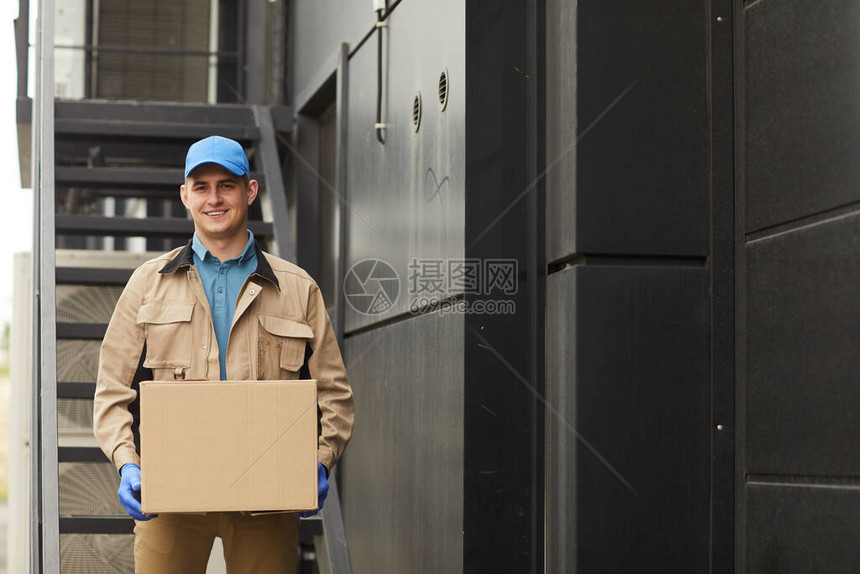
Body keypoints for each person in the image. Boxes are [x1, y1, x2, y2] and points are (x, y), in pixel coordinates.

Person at [93, 135, 354, 573]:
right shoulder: (146, 284)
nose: (214, 198)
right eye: (201, 186)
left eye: (226, 185)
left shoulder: (297, 287)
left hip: (266, 500)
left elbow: (335, 393)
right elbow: (111, 389)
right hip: (171, 498)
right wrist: (126, 463)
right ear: (185, 196)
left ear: (249, 191)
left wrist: (319, 459)